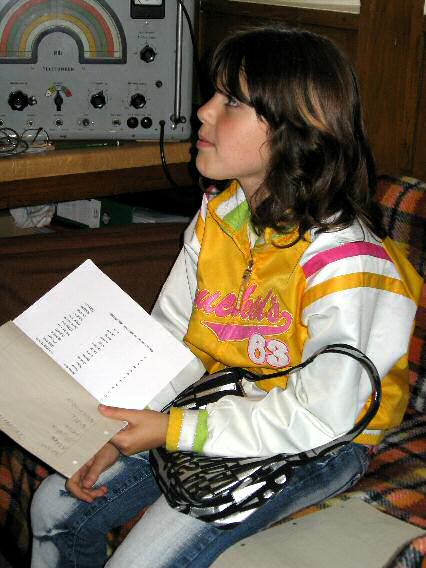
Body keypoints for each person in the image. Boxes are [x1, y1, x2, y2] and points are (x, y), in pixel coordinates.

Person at [30, 26, 422, 568]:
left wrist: (173, 430)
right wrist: (115, 429)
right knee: (53, 507)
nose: (204, 112)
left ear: (295, 129)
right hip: (220, 404)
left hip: (321, 438)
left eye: (232, 101)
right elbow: (172, 341)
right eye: (214, 94)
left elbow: (323, 414)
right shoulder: (219, 219)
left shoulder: (345, 261)